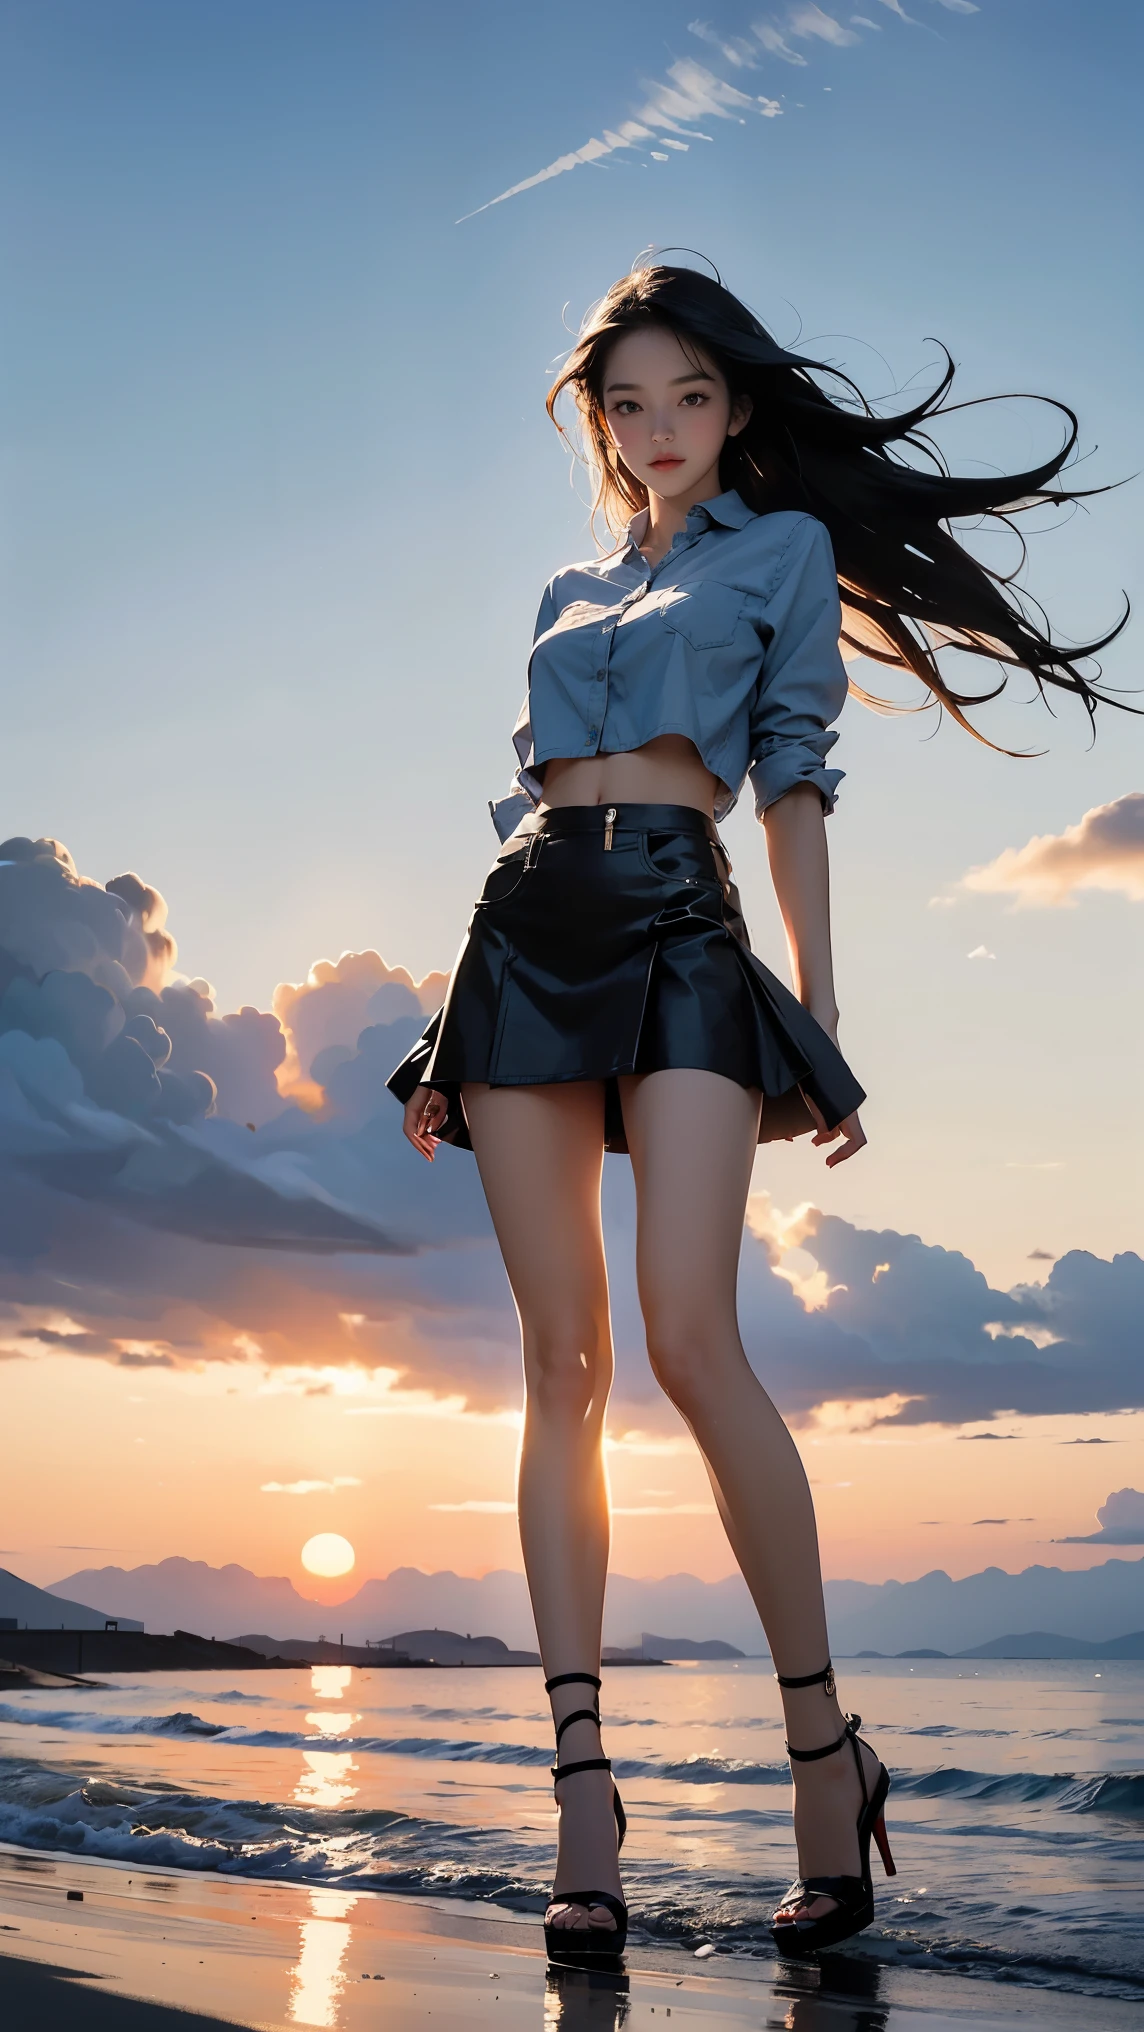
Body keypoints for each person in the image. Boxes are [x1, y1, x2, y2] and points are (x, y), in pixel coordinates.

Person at [388, 261, 1124, 1963]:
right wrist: (449, 1029)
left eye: (691, 400)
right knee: (555, 1362)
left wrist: (824, 1005)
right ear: (598, 420)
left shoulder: (781, 555)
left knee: (690, 1337)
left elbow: (792, 775)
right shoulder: (567, 582)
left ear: (735, 406)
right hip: (522, 935)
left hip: (682, 919)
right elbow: (525, 809)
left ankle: (823, 1751)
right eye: (627, 405)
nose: (659, 433)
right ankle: (584, 1793)